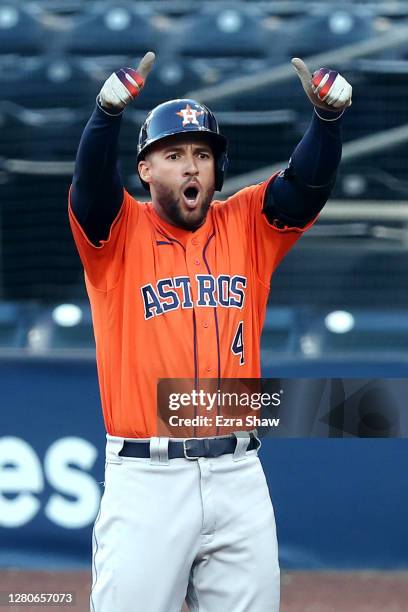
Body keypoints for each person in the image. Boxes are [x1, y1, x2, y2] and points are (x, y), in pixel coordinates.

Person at [68, 51, 352, 612]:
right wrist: (105, 115)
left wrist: (327, 123)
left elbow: (305, 186)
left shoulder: (248, 224)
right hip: (148, 479)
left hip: (238, 472)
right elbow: (90, 186)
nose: (192, 166)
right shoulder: (117, 233)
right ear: (146, 170)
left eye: (203, 154)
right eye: (173, 155)